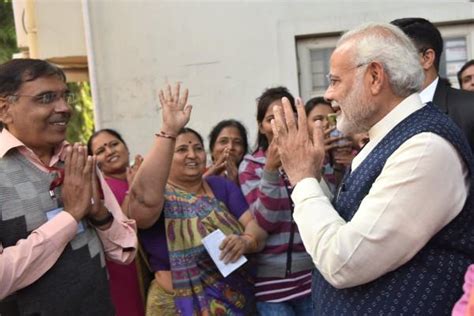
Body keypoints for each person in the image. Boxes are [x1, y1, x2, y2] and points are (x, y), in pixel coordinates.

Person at [271, 22, 474, 315]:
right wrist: (313, 177)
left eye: (335, 81)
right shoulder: (387, 137)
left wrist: (303, 180)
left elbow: (344, 262)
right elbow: (346, 223)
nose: (328, 94)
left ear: (375, 77)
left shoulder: (424, 148)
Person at [0, 59, 137, 315]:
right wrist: (70, 217)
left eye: (65, 96)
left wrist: (99, 215)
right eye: (46, 98)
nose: (64, 108)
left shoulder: (78, 161)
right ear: (5, 109)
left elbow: (124, 251)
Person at [128, 83, 267, 315]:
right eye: (182, 150)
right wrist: (168, 131)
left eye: (198, 148)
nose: (192, 155)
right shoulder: (158, 196)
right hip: (173, 305)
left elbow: (256, 228)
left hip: (231, 301)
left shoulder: (220, 187)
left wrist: (246, 241)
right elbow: (141, 207)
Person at [238, 87, 315, 315]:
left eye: (285, 116)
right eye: (271, 118)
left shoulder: (310, 155)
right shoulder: (250, 166)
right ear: (261, 126)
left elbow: (323, 206)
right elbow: (264, 222)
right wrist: (270, 170)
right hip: (270, 286)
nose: (279, 124)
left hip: (311, 278)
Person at [391, 17, 474, 151]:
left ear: (426, 58)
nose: (386, 66)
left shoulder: (469, 108)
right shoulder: (385, 115)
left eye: (395, 57)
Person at [87, 129, 145, 316]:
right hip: (122, 269)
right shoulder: (101, 190)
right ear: (94, 161)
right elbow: (121, 228)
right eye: (101, 151)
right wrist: (133, 189)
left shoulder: (140, 176)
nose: (110, 151)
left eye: (114, 144)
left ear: (126, 148)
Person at [305, 96, 354, 193]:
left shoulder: (350, 149)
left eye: (332, 118)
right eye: (318, 119)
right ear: (305, 124)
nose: (326, 123)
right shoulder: (302, 157)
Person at [204, 119, 248, 185]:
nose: (230, 147)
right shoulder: (196, 173)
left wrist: (236, 183)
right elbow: (185, 194)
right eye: (223, 141)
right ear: (212, 148)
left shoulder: (251, 176)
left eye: (237, 142)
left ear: (244, 150)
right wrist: (206, 178)